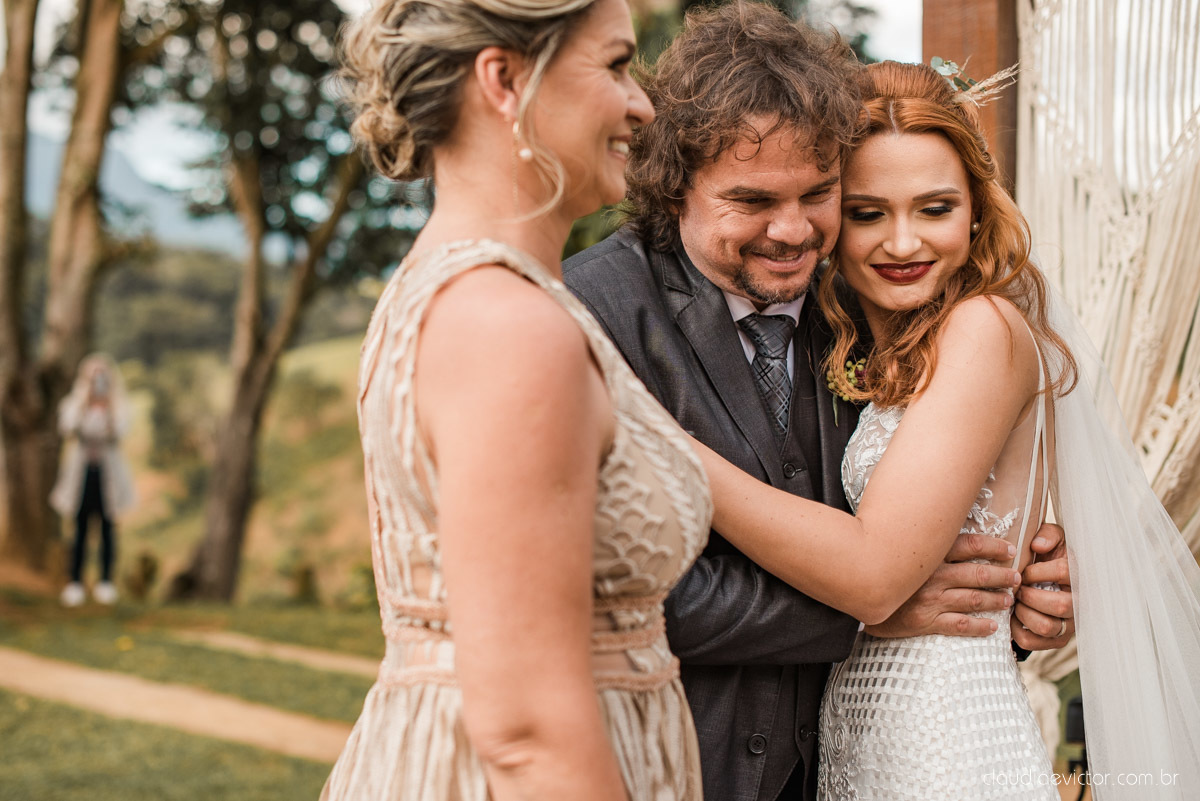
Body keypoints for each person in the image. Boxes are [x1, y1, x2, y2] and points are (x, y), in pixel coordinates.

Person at [563, 5, 1074, 800]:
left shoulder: (868, 305)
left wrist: (1026, 593)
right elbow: (604, 591)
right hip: (663, 772)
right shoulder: (590, 313)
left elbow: (940, 540)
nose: (794, 230)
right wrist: (865, 615)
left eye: (822, 194)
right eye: (752, 200)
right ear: (675, 187)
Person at [691, 60, 1200, 799]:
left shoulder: (983, 329)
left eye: (934, 208)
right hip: (866, 736)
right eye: (868, 213)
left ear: (976, 212)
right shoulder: (867, 346)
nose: (903, 244)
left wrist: (670, 454)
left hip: (949, 741)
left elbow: (871, 574)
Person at [322, 1, 711, 799]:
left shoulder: (472, 293)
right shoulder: (508, 328)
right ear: (503, 79)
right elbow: (530, 732)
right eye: (612, 66)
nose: (640, 102)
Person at [51, 353, 135, 607]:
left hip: (107, 475)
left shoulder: (117, 405)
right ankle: (74, 582)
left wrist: (107, 407)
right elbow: (68, 427)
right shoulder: (74, 403)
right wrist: (85, 402)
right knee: (79, 529)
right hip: (82, 474)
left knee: (108, 529)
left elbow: (118, 432)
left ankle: (105, 582)